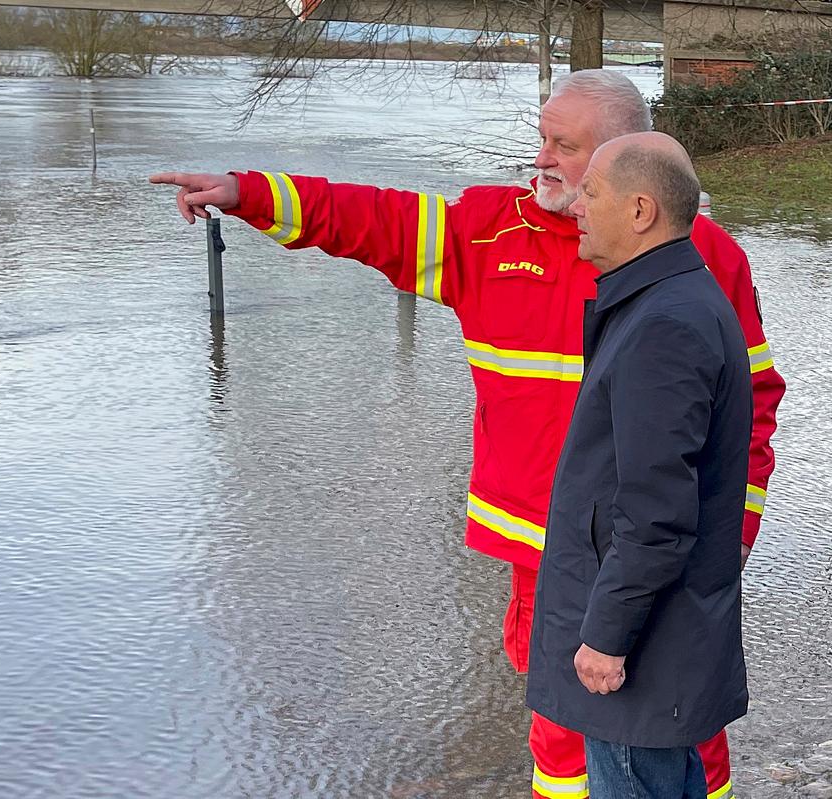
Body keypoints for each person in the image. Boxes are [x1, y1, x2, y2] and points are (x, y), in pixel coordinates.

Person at [149, 69, 784, 799]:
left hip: (657, 553)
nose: (540, 159)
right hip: (540, 551)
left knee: (681, 724)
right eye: (539, 139)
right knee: (559, 728)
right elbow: (367, 218)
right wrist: (247, 192)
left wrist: (733, 530)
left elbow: (752, 403)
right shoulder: (486, 229)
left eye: (563, 145)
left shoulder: (699, 257)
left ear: (624, 161)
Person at [526, 131, 752, 799]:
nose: (574, 207)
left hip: (643, 642)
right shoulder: (669, 300)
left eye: (591, 193)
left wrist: (603, 635)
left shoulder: (665, 324)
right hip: (658, 629)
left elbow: (655, 514)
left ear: (640, 210)